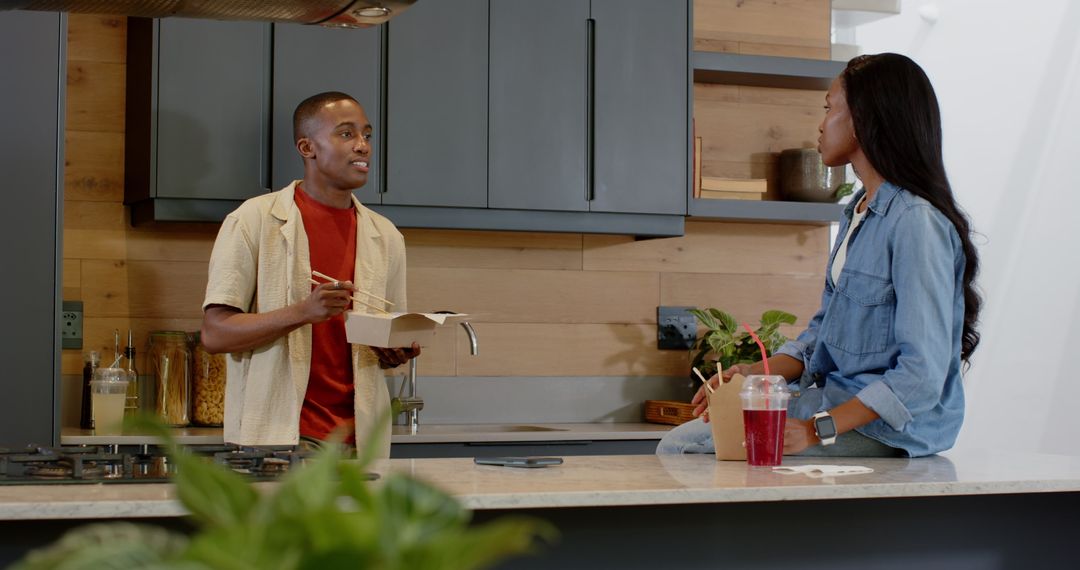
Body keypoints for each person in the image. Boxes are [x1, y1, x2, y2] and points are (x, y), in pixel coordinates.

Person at [658, 53, 982, 458]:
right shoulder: (858, 214)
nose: (820, 123)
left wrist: (815, 430)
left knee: (686, 449)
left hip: (888, 431)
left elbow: (921, 376)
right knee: (680, 444)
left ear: (863, 120)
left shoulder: (915, 223)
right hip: (832, 404)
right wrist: (755, 375)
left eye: (829, 109)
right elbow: (821, 338)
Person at [200, 91, 419, 456]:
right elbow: (215, 334)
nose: (363, 146)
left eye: (367, 135)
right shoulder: (253, 221)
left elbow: (383, 333)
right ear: (307, 147)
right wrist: (304, 312)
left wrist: (392, 350)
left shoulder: (387, 237)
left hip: (362, 443)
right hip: (281, 439)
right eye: (346, 134)